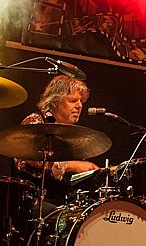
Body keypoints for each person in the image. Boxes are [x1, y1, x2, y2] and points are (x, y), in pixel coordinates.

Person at [14, 75, 99, 206]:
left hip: (63, 203)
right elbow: (29, 158)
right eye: (73, 100)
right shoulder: (37, 121)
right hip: (32, 202)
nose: (79, 106)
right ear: (55, 101)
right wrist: (73, 166)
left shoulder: (71, 135)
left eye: (81, 101)